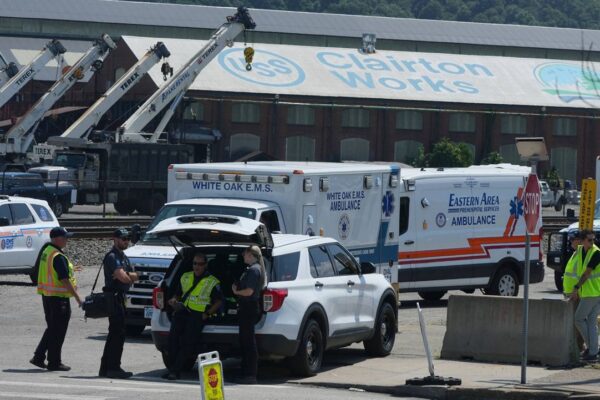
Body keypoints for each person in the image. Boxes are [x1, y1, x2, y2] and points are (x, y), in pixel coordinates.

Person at [164, 252, 223, 380]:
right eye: (195, 263)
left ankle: (175, 371)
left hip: (197, 316)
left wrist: (207, 314)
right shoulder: (185, 276)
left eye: (200, 264)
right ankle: (172, 369)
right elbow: (178, 294)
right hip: (182, 311)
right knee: (172, 340)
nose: (197, 266)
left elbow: (219, 301)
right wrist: (173, 300)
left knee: (187, 343)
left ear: (205, 265)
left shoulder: (212, 281)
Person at [31, 227, 82, 371]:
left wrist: (71, 268)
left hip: (47, 296)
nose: (67, 240)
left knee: (52, 328)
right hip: (59, 299)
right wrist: (78, 298)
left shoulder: (47, 251)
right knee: (58, 331)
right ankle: (54, 362)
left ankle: (39, 357)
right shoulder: (57, 256)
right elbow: (64, 279)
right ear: (55, 238)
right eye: (64, 237)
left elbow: (54, 271)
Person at [99, 228, 139, 379]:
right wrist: (130, 276)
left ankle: (105, 368)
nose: (126, 241)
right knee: (118, 334)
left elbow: (130, 275)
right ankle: (113, 367)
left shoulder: (123, 256)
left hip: (120, 297)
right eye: (123, 238)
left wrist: (129, 275)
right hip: (114, 298)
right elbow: (125, 278)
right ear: (115, 239)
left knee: (114, 334)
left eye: (128, 238)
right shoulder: (112, 256)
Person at [232, 245, 267, 385]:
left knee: (248, 342)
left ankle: (250, 374)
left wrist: (236, 292)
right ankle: (246, 372)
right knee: (245, 340)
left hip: (249, 307)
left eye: (245, 253)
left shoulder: (254, 270)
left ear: (251, 255)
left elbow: (249, 292)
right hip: (247, 308)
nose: (243, 255)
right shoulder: (254, 269)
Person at [569, 229, 600, 361]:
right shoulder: (581, 250)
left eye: (594, 239)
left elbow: (587, 273)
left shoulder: (596, 253)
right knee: (592, 322)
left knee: (578, 319)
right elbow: (574, 244)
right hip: (590, 292)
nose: (593, 242)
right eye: (590, 240)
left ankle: (593, 349)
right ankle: (593, 351)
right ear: (582, 241)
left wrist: (576, 288)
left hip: (593, 292)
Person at [562, 231, 584, 352]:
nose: (570, 241)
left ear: (579, 241)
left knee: (578, 322)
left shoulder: (581, 255)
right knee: (575, 322)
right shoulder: (575, 254)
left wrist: (577, 292)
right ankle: (578, 346)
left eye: (573, 239)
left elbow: (582, 276)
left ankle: (580, 347)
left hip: (577, 295)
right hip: (571, 293)